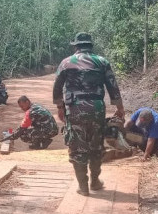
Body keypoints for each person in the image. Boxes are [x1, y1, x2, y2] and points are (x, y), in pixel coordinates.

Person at [53, 32, 125, 196]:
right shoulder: (102, 62)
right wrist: (119, 108)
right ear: (91, 45)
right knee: (95, 144)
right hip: (97, 108)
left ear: (76, 46)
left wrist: (60, 107)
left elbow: (57, 87)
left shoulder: (66, 63)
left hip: (75, 108)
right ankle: (95, 181)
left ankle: (83, 186)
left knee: (77, 146)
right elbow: (113, 87)